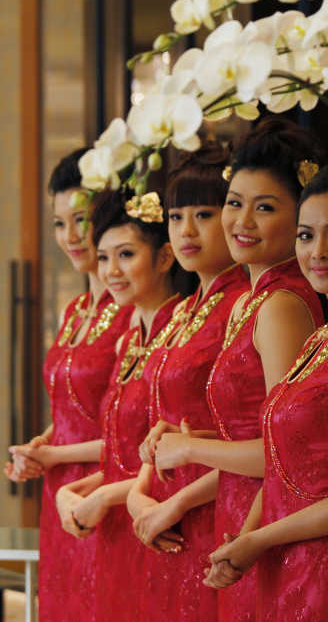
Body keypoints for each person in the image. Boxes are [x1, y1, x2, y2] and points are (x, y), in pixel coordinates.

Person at [205, 161, 328, 622]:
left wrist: (261, 538)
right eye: (305, 235)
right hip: (285, 567)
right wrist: (246, 539)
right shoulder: (323, 338)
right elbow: (280, 467)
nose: (317, 252)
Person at [154, 118, 325, 622]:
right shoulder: (255, 300)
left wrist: (189, 447)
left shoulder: (280, 304)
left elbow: (285, 452)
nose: (241, 221)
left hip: (267, 523)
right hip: (241, 518)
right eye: (234, 202)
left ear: (300, 219)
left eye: (265, 207)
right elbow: (261, 427)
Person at [4, 148, 133, 622]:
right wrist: (41, 446)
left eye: (82, 218)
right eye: (59, 223)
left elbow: (130, 431)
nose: (71, 236)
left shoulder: (132, 309)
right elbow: (72, 411)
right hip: (60, 494)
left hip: (106, 493)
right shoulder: (77, 310)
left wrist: (55, 455)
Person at [125, 145, 250, 621]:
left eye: (204, 214)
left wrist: (174, 504)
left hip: (212, 511)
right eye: (176, 217)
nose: (187, 231)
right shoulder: (183, 310)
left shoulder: (241, 305)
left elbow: (261, 440)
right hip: (164, 514)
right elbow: (162, 422)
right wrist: (141, 493)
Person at [55, 188, 179, 622]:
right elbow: (119, 446)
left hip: (155, 526)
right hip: (115, 529)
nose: (111, 271)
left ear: (165, 257)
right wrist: (76, 489)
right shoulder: (129, 338)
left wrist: (104, 494)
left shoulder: (182, 338)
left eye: (125, 255)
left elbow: (177, 461)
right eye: (104, 258)